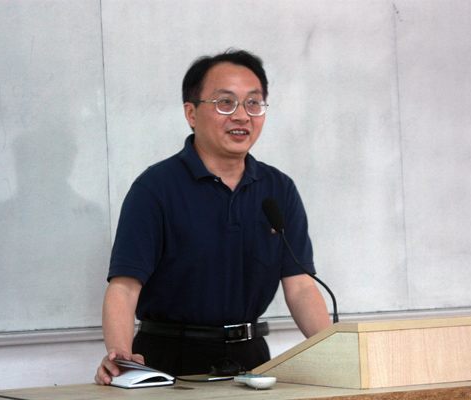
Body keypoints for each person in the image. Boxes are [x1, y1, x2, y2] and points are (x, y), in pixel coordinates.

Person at [95, 49, 330, 385]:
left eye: (253, 103)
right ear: (191, 113)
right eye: (225, 103)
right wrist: (121, 358)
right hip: (170, 360)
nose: (242, 116)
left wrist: (335, 353)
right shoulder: (156, 187)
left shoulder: (278, 189)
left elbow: (301, 286)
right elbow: (124, 287)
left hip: (251, 361)